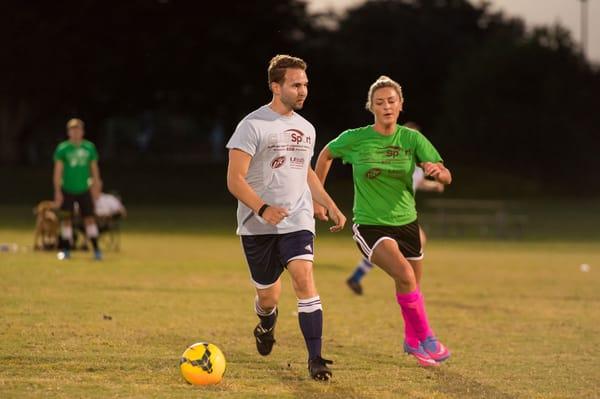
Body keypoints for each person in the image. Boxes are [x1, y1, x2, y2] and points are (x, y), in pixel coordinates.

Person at [314, 76, 452, 367]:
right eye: (380, 102)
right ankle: (427, 337)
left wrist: (438, 173)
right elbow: (326, 155)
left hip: (407, 223)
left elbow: (445, 174)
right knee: (404, 274)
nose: (386, 106)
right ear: (371, 107)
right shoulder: (356, 138)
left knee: (411, 285)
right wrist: (319, 196)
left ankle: (411, 341)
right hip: (370, 224)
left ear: (400, 105)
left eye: (391, 101)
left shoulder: (412, 139)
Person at [226, 55, 346, 381]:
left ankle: (316, 359)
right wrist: (263, 209)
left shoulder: (307, 128)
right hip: (257, 227)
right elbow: (234, 179)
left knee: (304, 280)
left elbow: (305, 172)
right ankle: (266, 322)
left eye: (305, 84)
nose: (303, 90)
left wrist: (329, 204)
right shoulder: (252, 125)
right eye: (296, 84)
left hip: (298, 221)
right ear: (276, 86)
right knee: (268, 297)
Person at [346, 122, 444, 295]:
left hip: (404, 215)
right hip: (385, 214)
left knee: (414, 243)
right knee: (404, 247)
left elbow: (418, 183)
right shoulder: (390, 157)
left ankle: (358, 276)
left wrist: (434, 185)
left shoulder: (417, 163)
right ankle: (360, 276)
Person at [53, 118, 103, 260]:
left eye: (78, 129)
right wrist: (57, 190)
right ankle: (66, 249)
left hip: (84, 188)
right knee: (65, 219)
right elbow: (57, 172)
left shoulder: (89, 148)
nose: (75, 132)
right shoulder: (63, 149)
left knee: (89, 219)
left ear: (82, 131)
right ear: (68, 132)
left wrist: (96, 185)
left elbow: (94, 169)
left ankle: (97, 250)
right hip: (67, 189)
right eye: (72, 130)